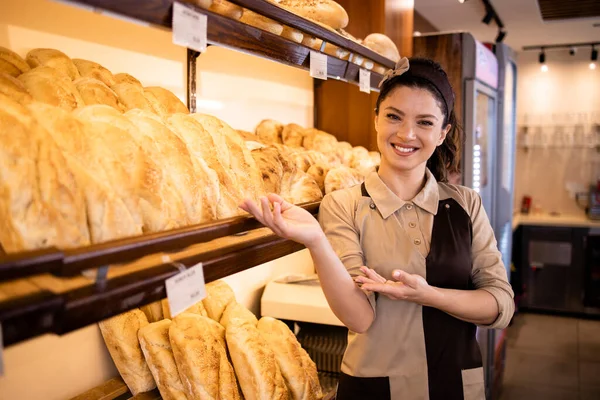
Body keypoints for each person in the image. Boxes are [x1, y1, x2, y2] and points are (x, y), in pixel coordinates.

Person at [240, 57, 514, 400]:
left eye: (425, 122)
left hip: (456, 387)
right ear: (376, 120)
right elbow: (360, 319)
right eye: (393, 116)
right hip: (376, 390)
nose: (406, 134)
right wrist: (315, 240)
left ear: (442, 133)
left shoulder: (464, 204)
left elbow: (500, 305)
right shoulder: (344, 205)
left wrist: (428, 295)